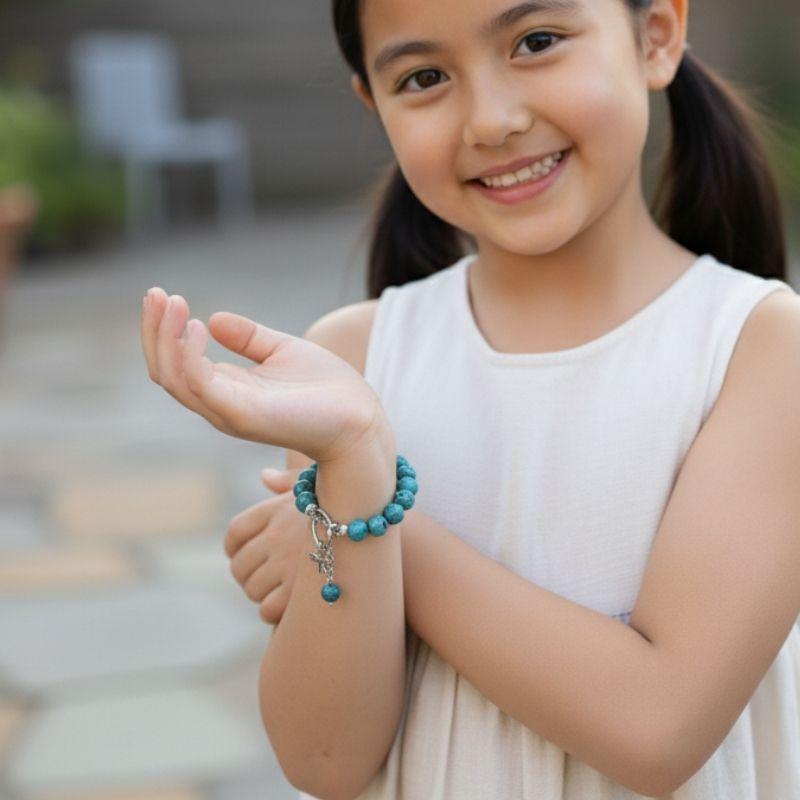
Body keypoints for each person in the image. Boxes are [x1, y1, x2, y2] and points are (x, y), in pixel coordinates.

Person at [143, 0, 800, 798]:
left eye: (537, 42)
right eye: (423, 78)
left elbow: (657, 726)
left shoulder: (760, 346)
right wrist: (350, 462)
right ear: (374, 105)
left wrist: (371, 518)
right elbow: (326, 758)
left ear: (656, 34)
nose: (490, 120)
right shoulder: (354, 361)